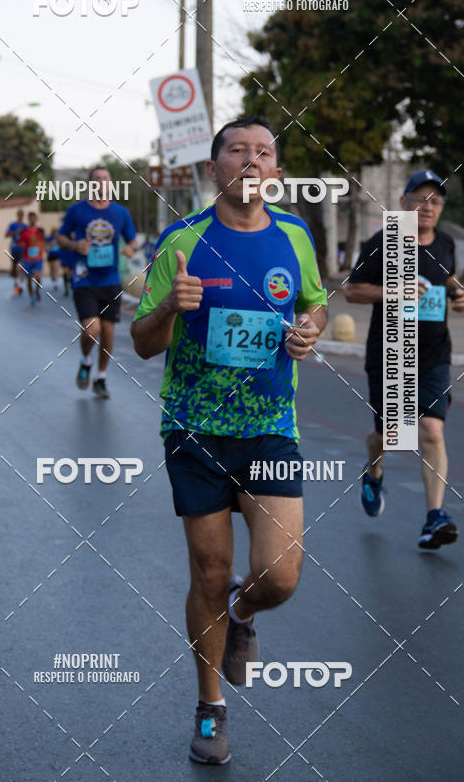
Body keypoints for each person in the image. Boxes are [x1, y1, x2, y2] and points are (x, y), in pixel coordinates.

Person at [131, 116, 328, 765]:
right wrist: (171, 306)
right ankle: (211, 707)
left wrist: (309, 326)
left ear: (275, 171)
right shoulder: (184, 238)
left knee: (279, 576)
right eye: (237, 149)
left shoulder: (295, 234)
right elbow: (141, 342)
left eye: (263, 152)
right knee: (209, 572)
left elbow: (316, 300)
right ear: (215, 166)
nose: (250, 160)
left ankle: (244, 614)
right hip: (194, 429)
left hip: (270, 427)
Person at [345, 169, 464, 549]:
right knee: (392, 435)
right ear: (403, 203)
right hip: (391, 354)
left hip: (434, 355)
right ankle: (374, 470)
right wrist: (395, 290)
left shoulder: (446, 242)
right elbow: (352, 291)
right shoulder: (385, 242)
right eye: (420, 198)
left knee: (431, 430)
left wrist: (458, 293)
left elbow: (446, 277)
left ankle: (434, 517)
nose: (428, 207)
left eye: (435, 200)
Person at [57, 165, 137, 397]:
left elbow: (132, 241)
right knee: (92, 329)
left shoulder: (121, 213)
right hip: (84, 278)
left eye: (105, 178)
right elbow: (61, 237)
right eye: (97, 179)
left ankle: (100, 377)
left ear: (110, 184)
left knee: (109, 333)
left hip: (110, 280)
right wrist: (74, 245)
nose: (101, 182)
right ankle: (85, 360)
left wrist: (131, 249)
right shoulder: (77, 211)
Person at [19, 212, 45, 306]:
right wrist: (22, 244)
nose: (32, 220)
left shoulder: (40, 231)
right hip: (27, 259)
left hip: (38, 258)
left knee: (38, 277)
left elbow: (43, 241)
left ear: (36, 219)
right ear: (29, 219)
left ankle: (37, 290)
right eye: (30, 218)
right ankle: (32, 297)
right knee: (29, 279)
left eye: (34, 218)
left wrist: (45, 248)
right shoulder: (25, 231)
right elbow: (20, 243)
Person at [6, 209, 27, 294]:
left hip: (23, 249)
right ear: (17, 215)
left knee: (21, 267)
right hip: (14, 248)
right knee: (14, 268)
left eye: (22, 214)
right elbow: (6, 235)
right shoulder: (12, 225)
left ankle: (21, 285)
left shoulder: (26, 226)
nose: (21, 216)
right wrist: (16, 232)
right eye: (19, 214)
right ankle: (16, 283)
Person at [45, 226, 61, 291]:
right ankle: (54, 281)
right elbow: (46, 245)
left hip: (57, 255)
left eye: (55, 231)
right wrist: (48, 248)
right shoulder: (49, 238)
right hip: (50, 255)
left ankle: (56, 283)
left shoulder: (59, 238)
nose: (54, 232)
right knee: (51, 271)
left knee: (55, 269)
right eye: (53, 231)